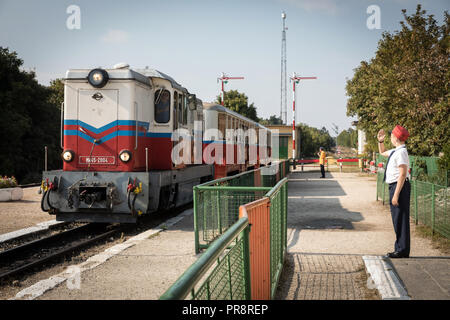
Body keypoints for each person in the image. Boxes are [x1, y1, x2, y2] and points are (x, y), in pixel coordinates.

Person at [377, 125, 411, 258]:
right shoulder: (396, 151)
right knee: (397, 219)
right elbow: (382, 152)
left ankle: (402, 250)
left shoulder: (401, 152)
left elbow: (402, 174)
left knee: (400, 219)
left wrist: (396, 194)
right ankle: (400, 247)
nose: (390, 137)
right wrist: (380, 141)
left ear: (396, 138)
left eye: (391, 136)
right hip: (395, 186)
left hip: (399, 187)